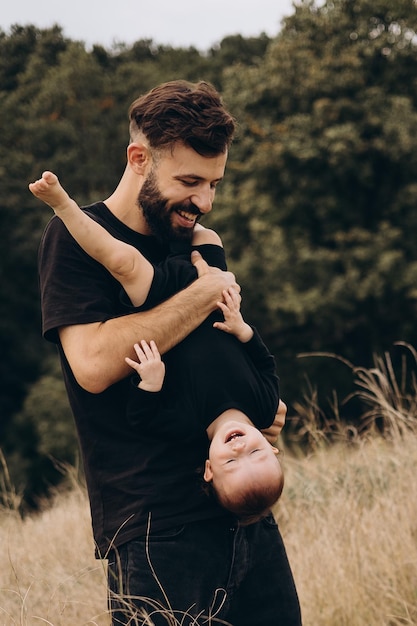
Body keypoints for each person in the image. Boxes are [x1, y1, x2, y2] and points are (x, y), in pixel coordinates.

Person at [34, 80, 302, 625]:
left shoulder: (194, 237)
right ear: (139, 158)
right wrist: (201, 293)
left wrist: (257, 410)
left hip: (245, 515)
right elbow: (92, 365)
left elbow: (233, 345)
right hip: (155, 528)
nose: (203, 201)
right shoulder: (75, 239)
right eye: (189, 181)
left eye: (214, 184)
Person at [29, 170, 284, 521]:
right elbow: (265, 364)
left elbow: (145, 416)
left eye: (230, 461)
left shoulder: (185, 426)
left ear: (209, 468)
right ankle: (172, 227)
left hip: (163, 295)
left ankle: (63, 207)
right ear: (272, 450)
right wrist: (244, 332)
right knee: (207, 234)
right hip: (206, 287)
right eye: (255, 454)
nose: (240, 448)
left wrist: (150, 382)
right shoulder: (265, 406)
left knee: (124, 262)